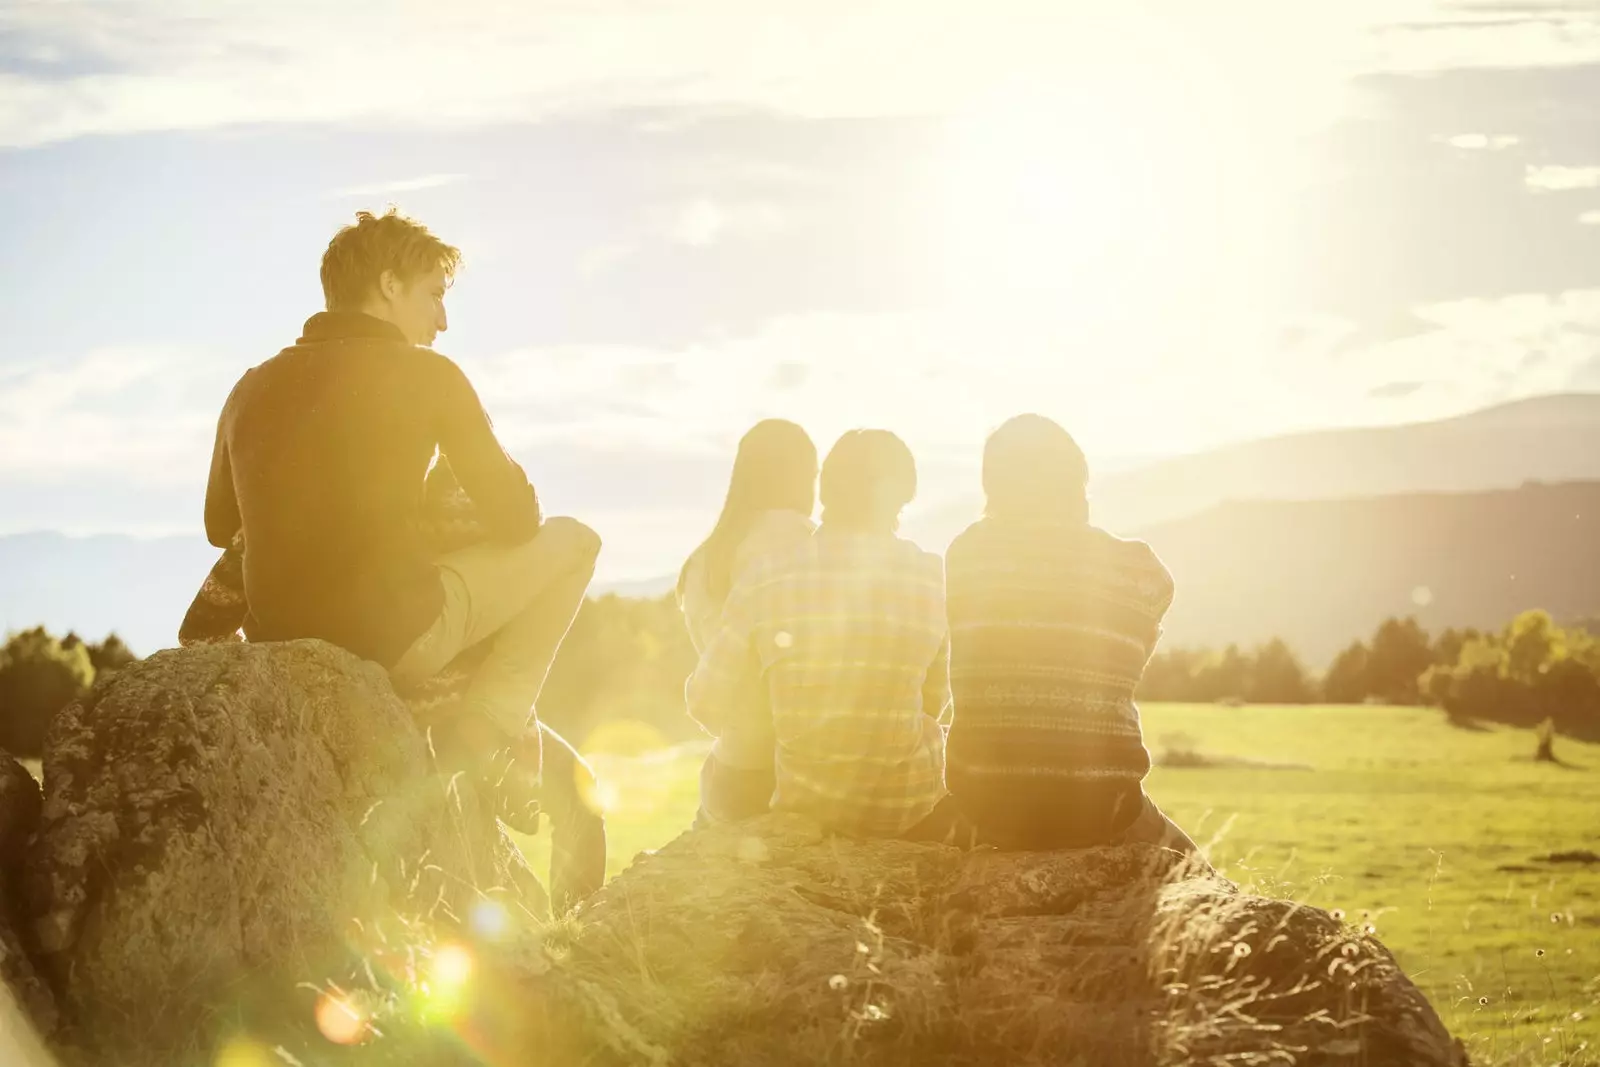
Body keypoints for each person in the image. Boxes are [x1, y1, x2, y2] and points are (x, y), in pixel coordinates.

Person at [202, 208, 601, 819]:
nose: (442, 319)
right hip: (395, 637)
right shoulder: (430, 375)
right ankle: (486, 732)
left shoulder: (250, 385)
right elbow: (519, 521)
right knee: (576, 541)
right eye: (434, 295)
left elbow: (217, 526)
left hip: (278, 638)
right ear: (389, 285)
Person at [181, 456, 606, 913]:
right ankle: (576, 925)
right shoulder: (442, 496)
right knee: (582, 800)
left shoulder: (287, 518)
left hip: (381, 711)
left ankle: (569, 919)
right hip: (453, 723)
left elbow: (198, 631)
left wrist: (268, 681)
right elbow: (520, 525)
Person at [943, 414, 1197, 853]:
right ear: (1078, 479)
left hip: (984, 801)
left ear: (992, 486)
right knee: (1194, 872)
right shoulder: (1139, 569)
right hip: (1103, 804)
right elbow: (1144, 632)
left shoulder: (967, 554)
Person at [686, 430, 956, 840]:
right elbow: (937, 697)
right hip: (911, 813)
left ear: (825, 488)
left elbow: (707, 699)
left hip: (807, 808)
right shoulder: (934, 577)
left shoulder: (767, 577)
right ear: (905, 495)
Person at [676, 419, 818, 824]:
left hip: (732, 767)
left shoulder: (703, 560)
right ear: (804, 476)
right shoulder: (806, 541)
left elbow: (711, 690)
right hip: (792, 769)